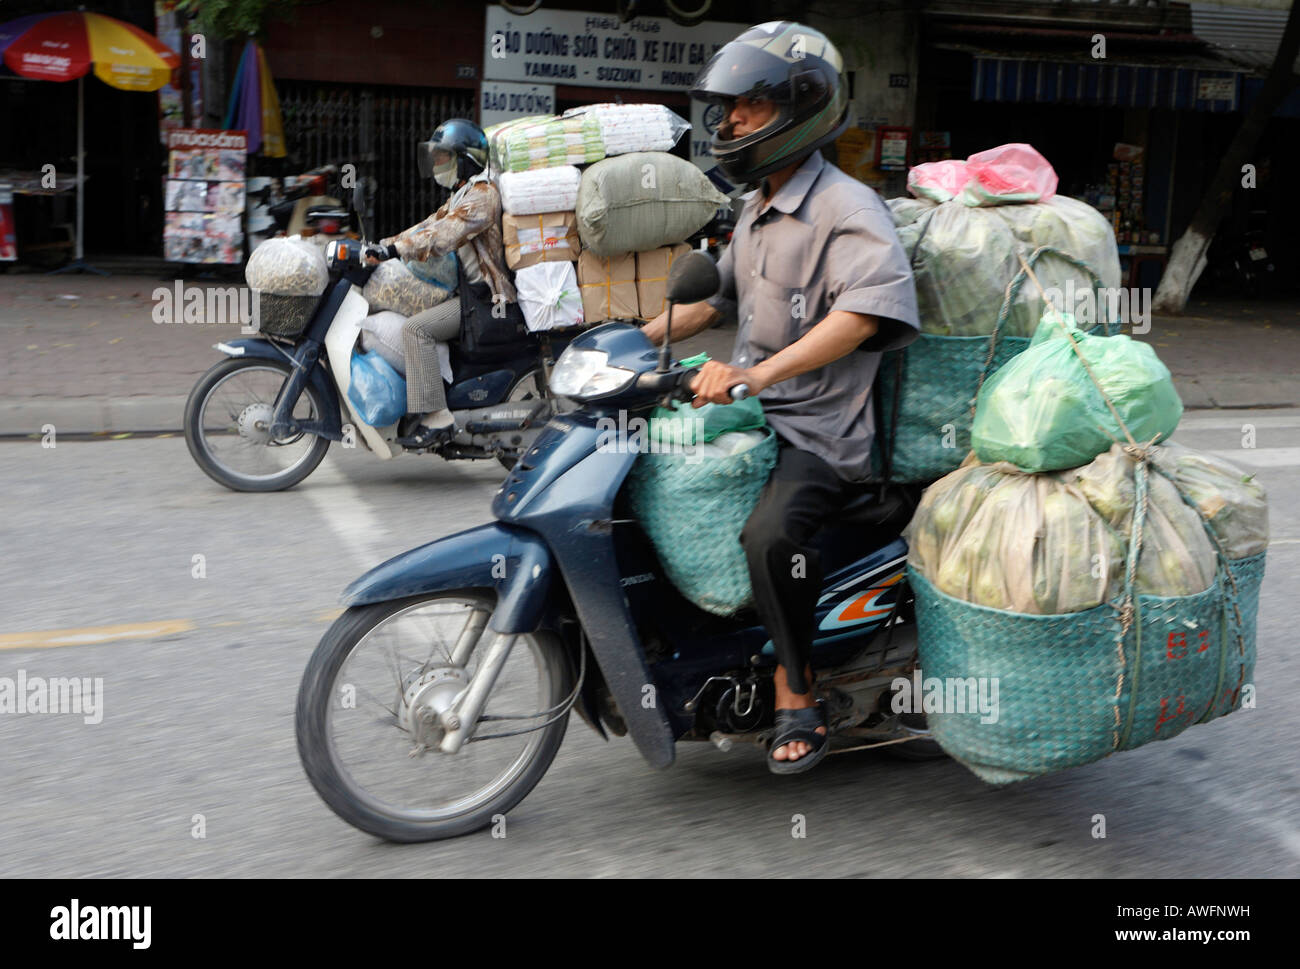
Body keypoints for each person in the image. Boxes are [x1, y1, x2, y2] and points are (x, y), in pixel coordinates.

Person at [641, 21, 920, 774]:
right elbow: (714, 300)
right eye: (726, 107)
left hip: (818, 432)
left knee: (771, 536)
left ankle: (796, 689)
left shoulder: (848, 209)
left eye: (749, 107)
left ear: (803, 107)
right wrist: (629, 341)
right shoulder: (757, 207)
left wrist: (756, 375)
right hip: (753, 416)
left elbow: (863, 316)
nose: (728, 122)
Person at [364, 119, 515, 448]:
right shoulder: (462, 194)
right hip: (466, 296)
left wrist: (393, 250)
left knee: (416, 329)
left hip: (487, 299)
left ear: (465, 158)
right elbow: (426, 226)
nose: (436, 163)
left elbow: (443, 236)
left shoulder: (482, 196)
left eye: (443, 156)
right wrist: (383, 247)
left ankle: (437, 417)